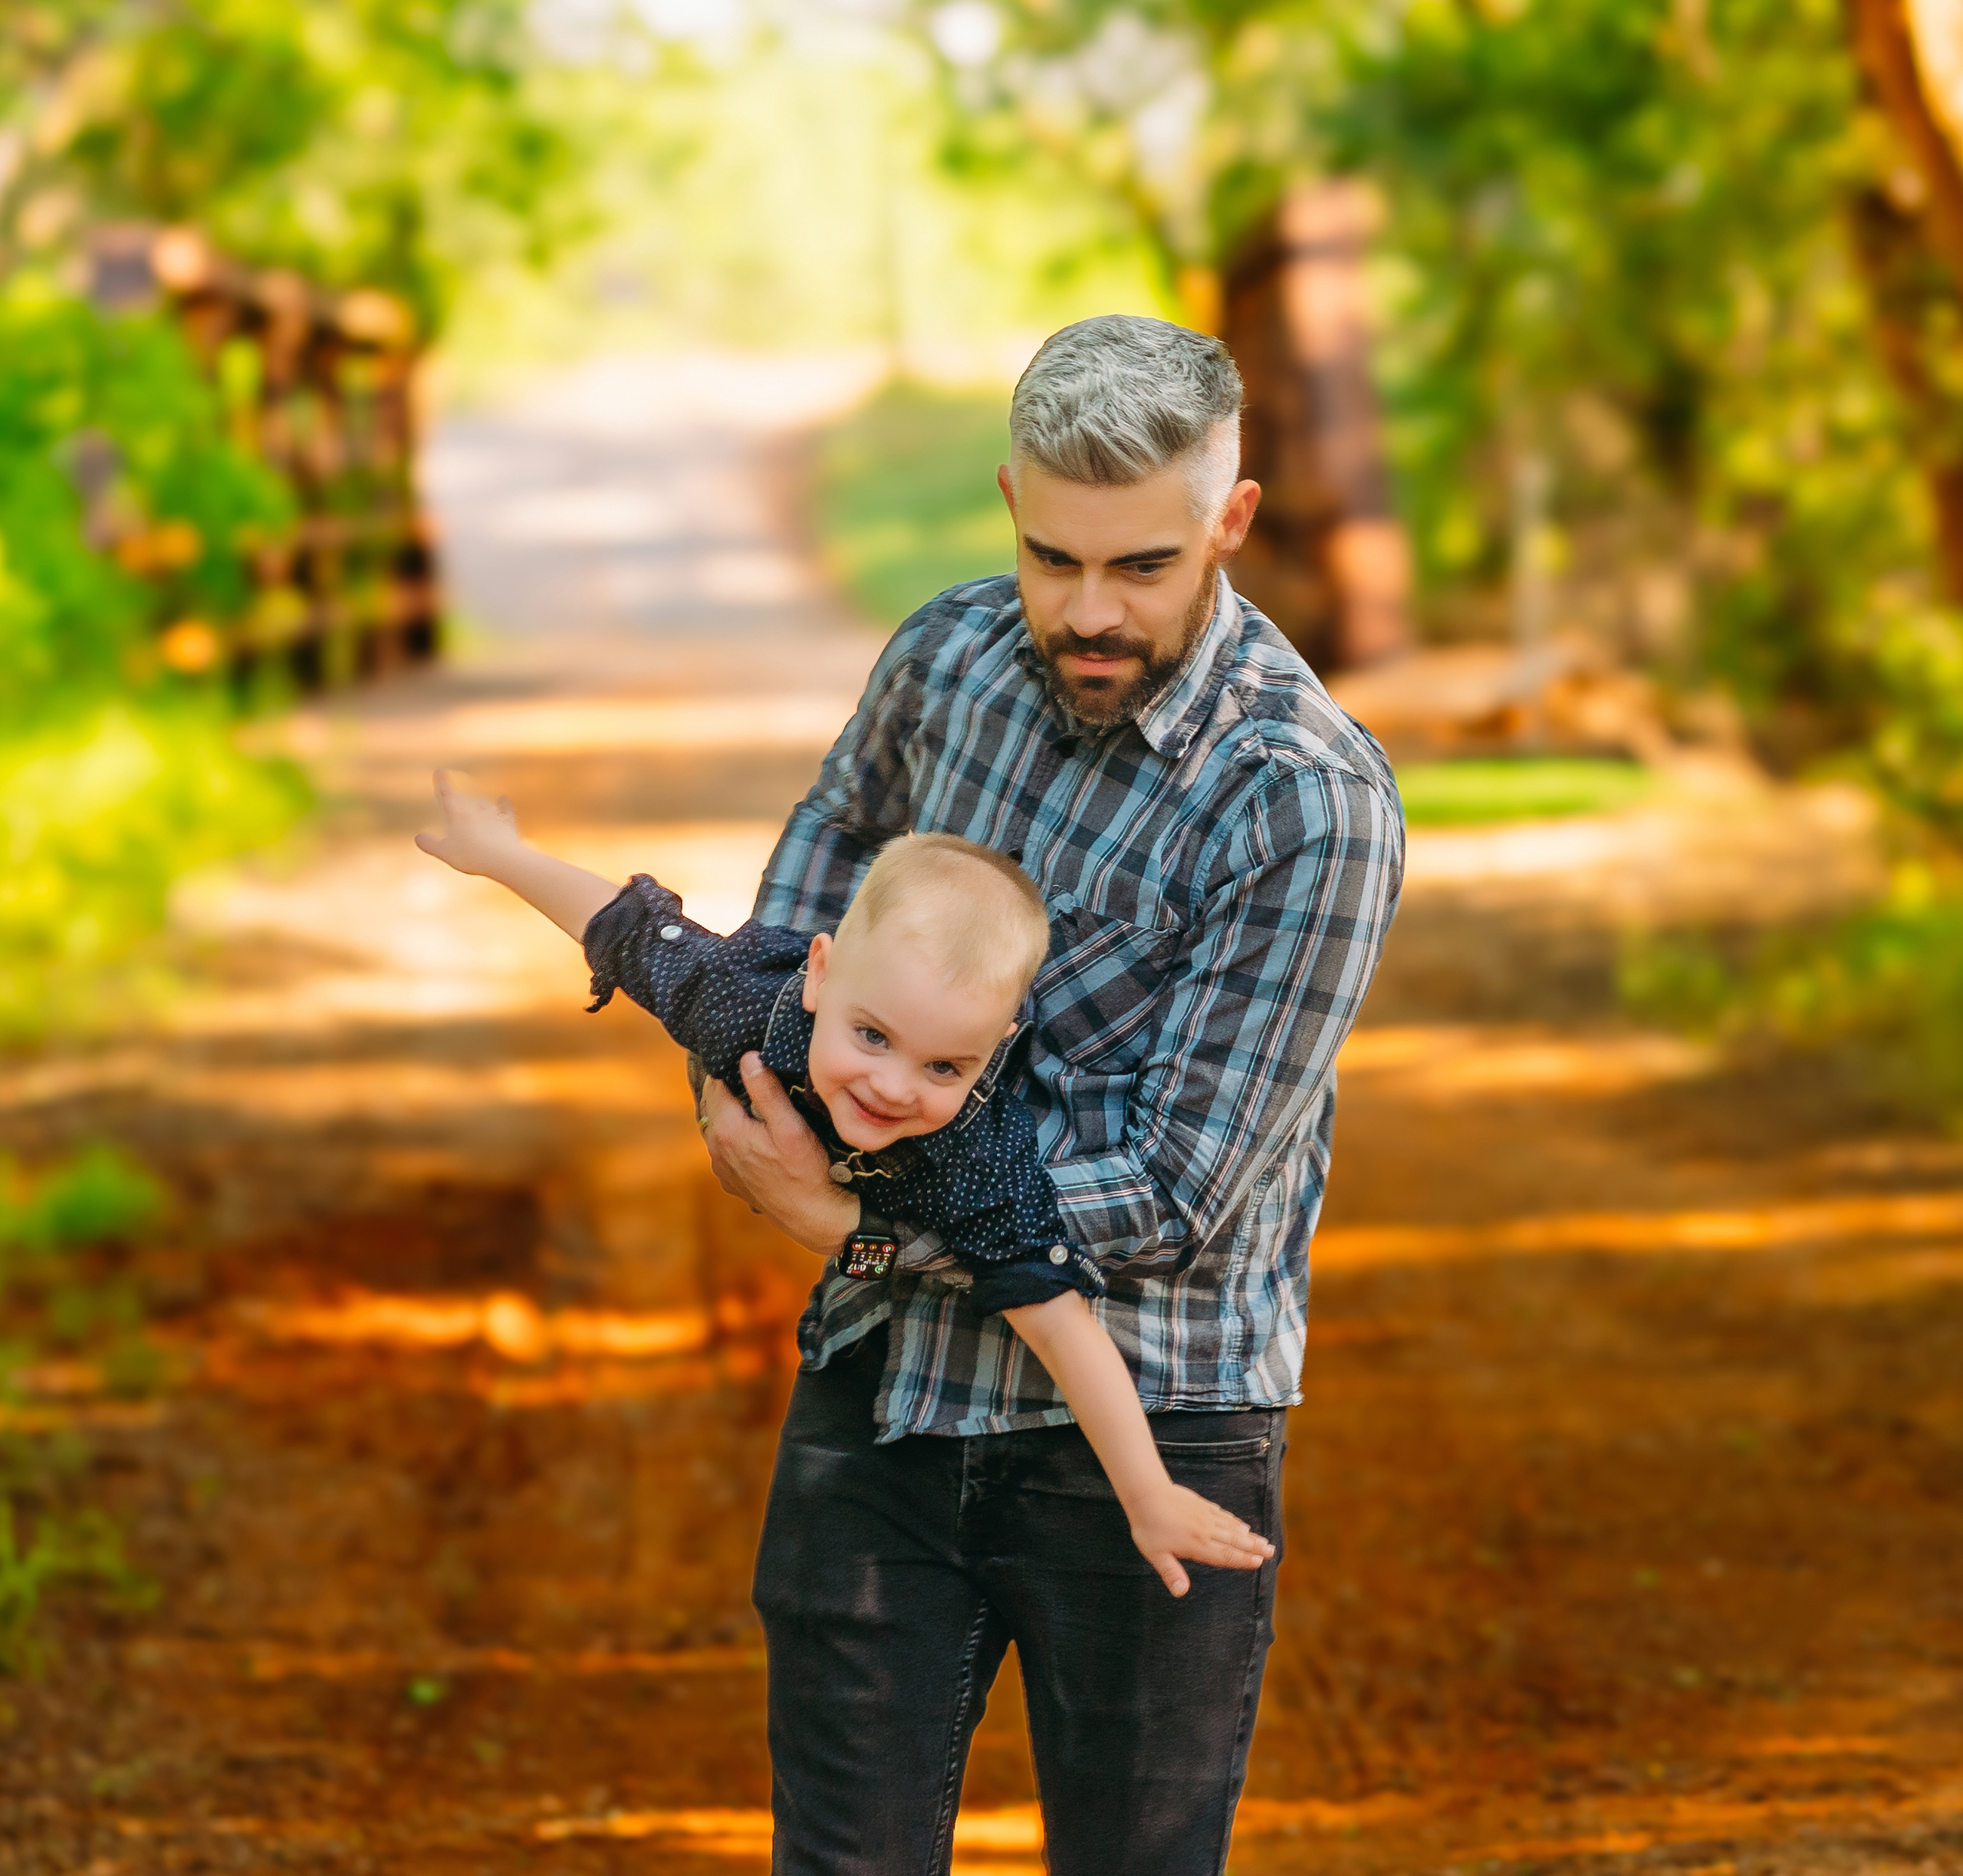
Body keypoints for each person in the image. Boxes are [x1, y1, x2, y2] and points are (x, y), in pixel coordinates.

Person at [702, 314, 1405, 1876]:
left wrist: (850, 1211)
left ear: (1230, 520)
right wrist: (741, 1068)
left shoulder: (1306, 799)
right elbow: (796, 927)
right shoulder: (946, 655)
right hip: (882, 1393)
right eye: (1050, 555)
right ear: (1008, 496)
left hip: (1153, 1424)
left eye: (1141, 567)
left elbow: (1169, 1192)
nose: (1086, 613)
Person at [413, 797, 1274, 1595]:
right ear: (820, 974)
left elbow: (1056, 1319)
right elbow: (623, 927)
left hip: (897, 1214)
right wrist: (499, 853)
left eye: (944, 1065)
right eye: (872, 1036)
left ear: (998, 1048)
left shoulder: (973, 1152)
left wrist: (1147, 1489)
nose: (893, 1087)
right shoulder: (743, 1006)